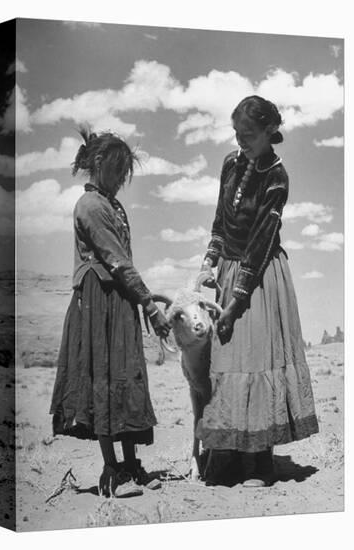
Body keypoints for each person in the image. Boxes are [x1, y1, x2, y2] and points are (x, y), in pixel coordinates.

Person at [196, 95, 319, 487]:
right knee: (227, 364)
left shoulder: (277, 177)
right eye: (236, 133)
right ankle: (230, 457)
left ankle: (262, 463)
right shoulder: (230, 164)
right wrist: (208, 263)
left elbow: (262, 242)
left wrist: (235, 303)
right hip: (230, 271)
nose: (240, 140)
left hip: (260, 277)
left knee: (257, 362)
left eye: (247, 134)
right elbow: (219, 219)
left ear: (269, 131)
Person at [49, 125, 170, 498]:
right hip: (98, 302)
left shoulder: (110, 205)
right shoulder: (90, 206)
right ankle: (110, 469)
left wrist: (140, 299)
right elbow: (116, 260)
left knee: (124, 375)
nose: (120, 181)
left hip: (117, 300)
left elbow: (120, 261)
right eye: (117, 172)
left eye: (124, 175)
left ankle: (131, 464)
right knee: (102, 377)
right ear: (99, 163)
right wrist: (148, 303)